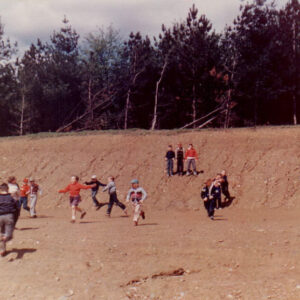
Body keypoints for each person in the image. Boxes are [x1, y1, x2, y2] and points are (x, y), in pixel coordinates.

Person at [0, 183, 19, 256]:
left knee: (1, 233)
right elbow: (16, 208)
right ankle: (6, 237)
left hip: (0, 216)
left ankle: (2, 250)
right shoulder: (11, 198)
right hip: (9, 216)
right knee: (9, 233)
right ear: (7, 189)